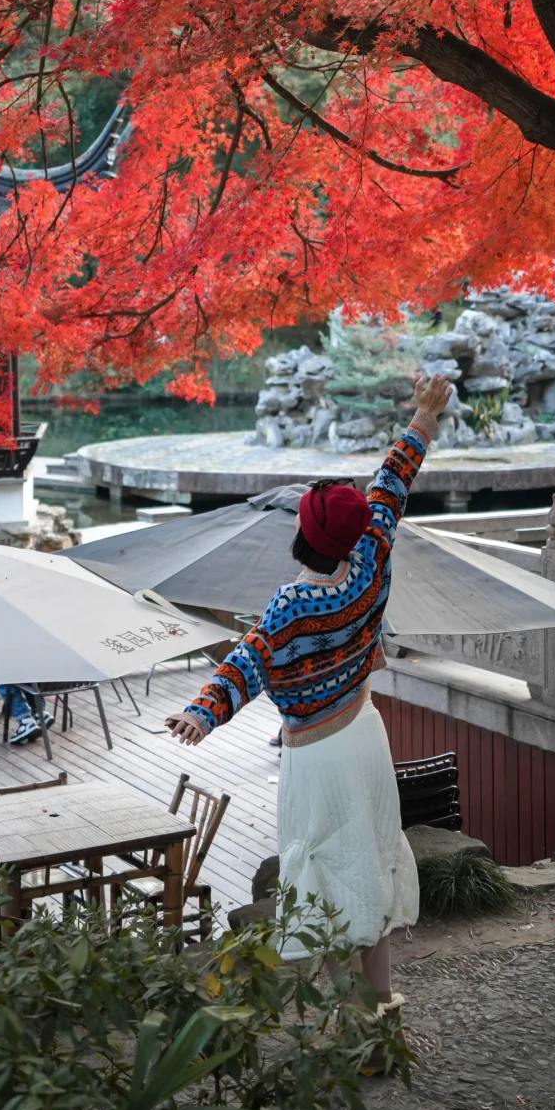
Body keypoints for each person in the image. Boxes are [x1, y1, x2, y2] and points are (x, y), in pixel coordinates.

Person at [167, 373, 453, 1024]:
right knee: (370, 865)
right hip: (366, 734)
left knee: (324, 880)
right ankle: (381, 1005)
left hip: (317, 756)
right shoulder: (375, 548)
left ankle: (351, 1024)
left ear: (302, 534)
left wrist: (200, 713)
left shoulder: (293, 605)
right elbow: (396, 474)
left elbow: (248, 661)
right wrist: (425, 413)